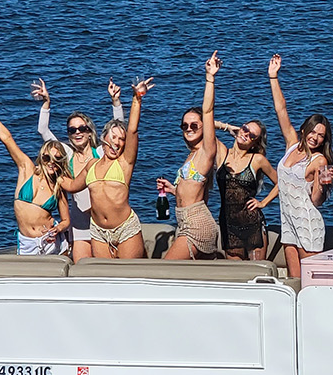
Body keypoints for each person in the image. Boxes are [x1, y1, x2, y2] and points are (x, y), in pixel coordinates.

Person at [257, 54, 333, 279]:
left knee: (310, 282)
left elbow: (316, 200)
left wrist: (321, 183)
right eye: (313, 132)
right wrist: (273, 77)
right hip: (288, 220)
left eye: (321, 136)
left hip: (307, 222)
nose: (316, 138)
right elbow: (281, 110)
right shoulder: (292, 144)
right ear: (304, 130)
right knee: (294, 280)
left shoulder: (319, 160)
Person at [32, 78, 124, 262]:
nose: (77, 133)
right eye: (72, 130)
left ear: (90, 131)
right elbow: (43, 130)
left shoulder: (100, 152)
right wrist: (46, 103)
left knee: (106, 268)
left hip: (104, 221)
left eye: (82, 128)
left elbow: (118, 131)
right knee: (81, 268)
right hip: (80, 223)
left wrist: (116, 102)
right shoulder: (67, 154)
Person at [61, 77, 154, 258]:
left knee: (129, 276)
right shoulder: (91, 165)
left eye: (121, 139)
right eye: (113, 137)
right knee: (104, 276)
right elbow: (71, 186)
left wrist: (137, 98)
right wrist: (48, 173)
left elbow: (133, 130)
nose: (117, 143)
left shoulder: (124, 163)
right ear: (103, 139)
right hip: (98, 232)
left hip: (125, 228)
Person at [0, 90, 71, 255]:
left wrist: (58, 228)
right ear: (41, 158)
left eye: (57, 160)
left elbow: (66, 219)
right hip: (26, 242)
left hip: (50, 242)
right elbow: (7, 139)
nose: (51, 163)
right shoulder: (27, 168)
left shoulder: (58, 185)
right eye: (47, 158)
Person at [156, 53, 224, 260]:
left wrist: (210, 78)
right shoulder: (192, 155)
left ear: (205, 128)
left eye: (194, 125)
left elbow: (208, 110)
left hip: (196, 225)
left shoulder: (206, 151)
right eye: (184, 125)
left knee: (165, 270)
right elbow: (192, 194)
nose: (189, 128)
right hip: (186, 222)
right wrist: (173, 189)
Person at [215, 117, 277, 261]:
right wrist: (228, 127)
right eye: (245, 129)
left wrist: (263, 202)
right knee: (236, 277)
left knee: (256, 274)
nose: (246, 134)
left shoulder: (257, 159)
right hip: (228, 224)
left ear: (255, 142)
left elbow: (281, 183)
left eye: (252, 136)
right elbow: (203, 124)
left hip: (252, 224)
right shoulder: (222, 154)